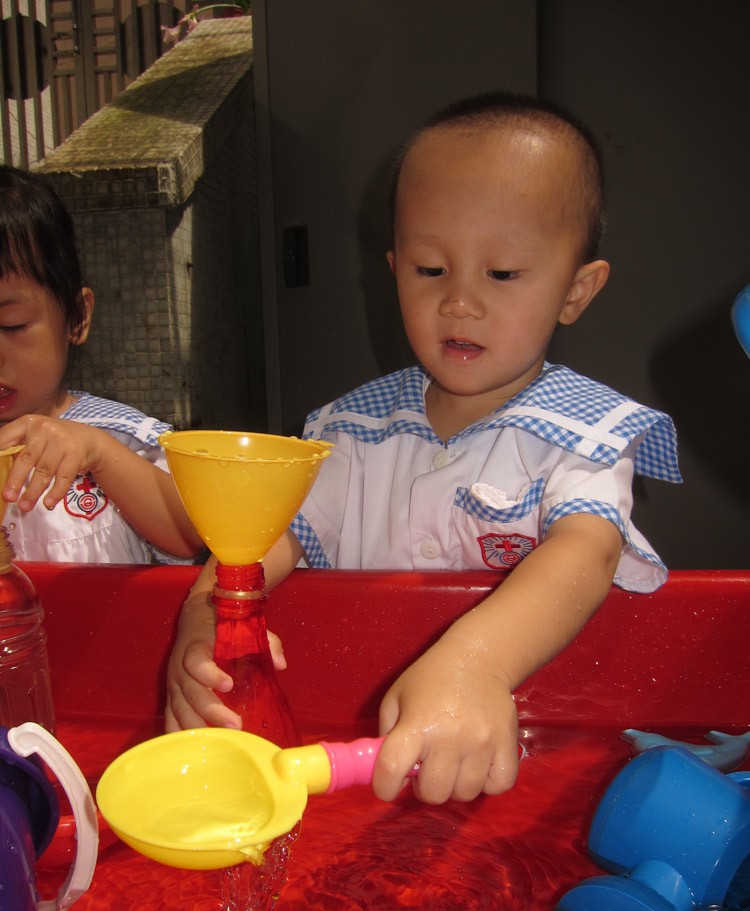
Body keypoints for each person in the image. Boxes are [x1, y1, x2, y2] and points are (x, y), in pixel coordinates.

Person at [165, 92, 681, 803]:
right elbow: (259, 539)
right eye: (431, 269)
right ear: (394, 267)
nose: (459, 301)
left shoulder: (583, 434)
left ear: (576, 290)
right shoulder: (350, 433)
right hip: (354, 755)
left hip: (528, 753)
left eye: (502, 273)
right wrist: (204, 619)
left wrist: (478, 663)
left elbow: (586, 553)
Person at [0, 165, 203, 563]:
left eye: (12, 325)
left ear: (76, 317)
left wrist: (100, 454)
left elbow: (191, 536)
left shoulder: (117, 435)